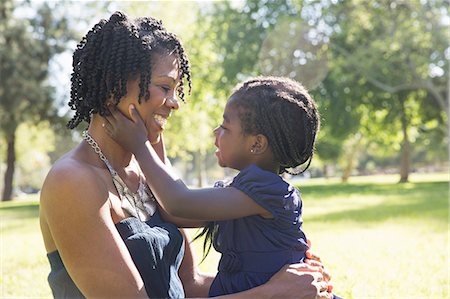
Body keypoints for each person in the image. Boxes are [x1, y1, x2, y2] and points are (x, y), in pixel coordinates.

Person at [39, 11, 332, 299]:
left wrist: (293, 278)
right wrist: (273, 293)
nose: (175, 103)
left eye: (176, 89)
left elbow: (189, 287)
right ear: (115, 85)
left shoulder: (148, 177)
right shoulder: (73, 182)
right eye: (165, 87)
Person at [104, 76, 339, 298]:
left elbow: (178, 202)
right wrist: (155, 136)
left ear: (256, 144)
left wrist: (139, 144)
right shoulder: (238, 194)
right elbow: (173, 213)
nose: (216, 132)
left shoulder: (267, 189)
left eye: (225, 127)